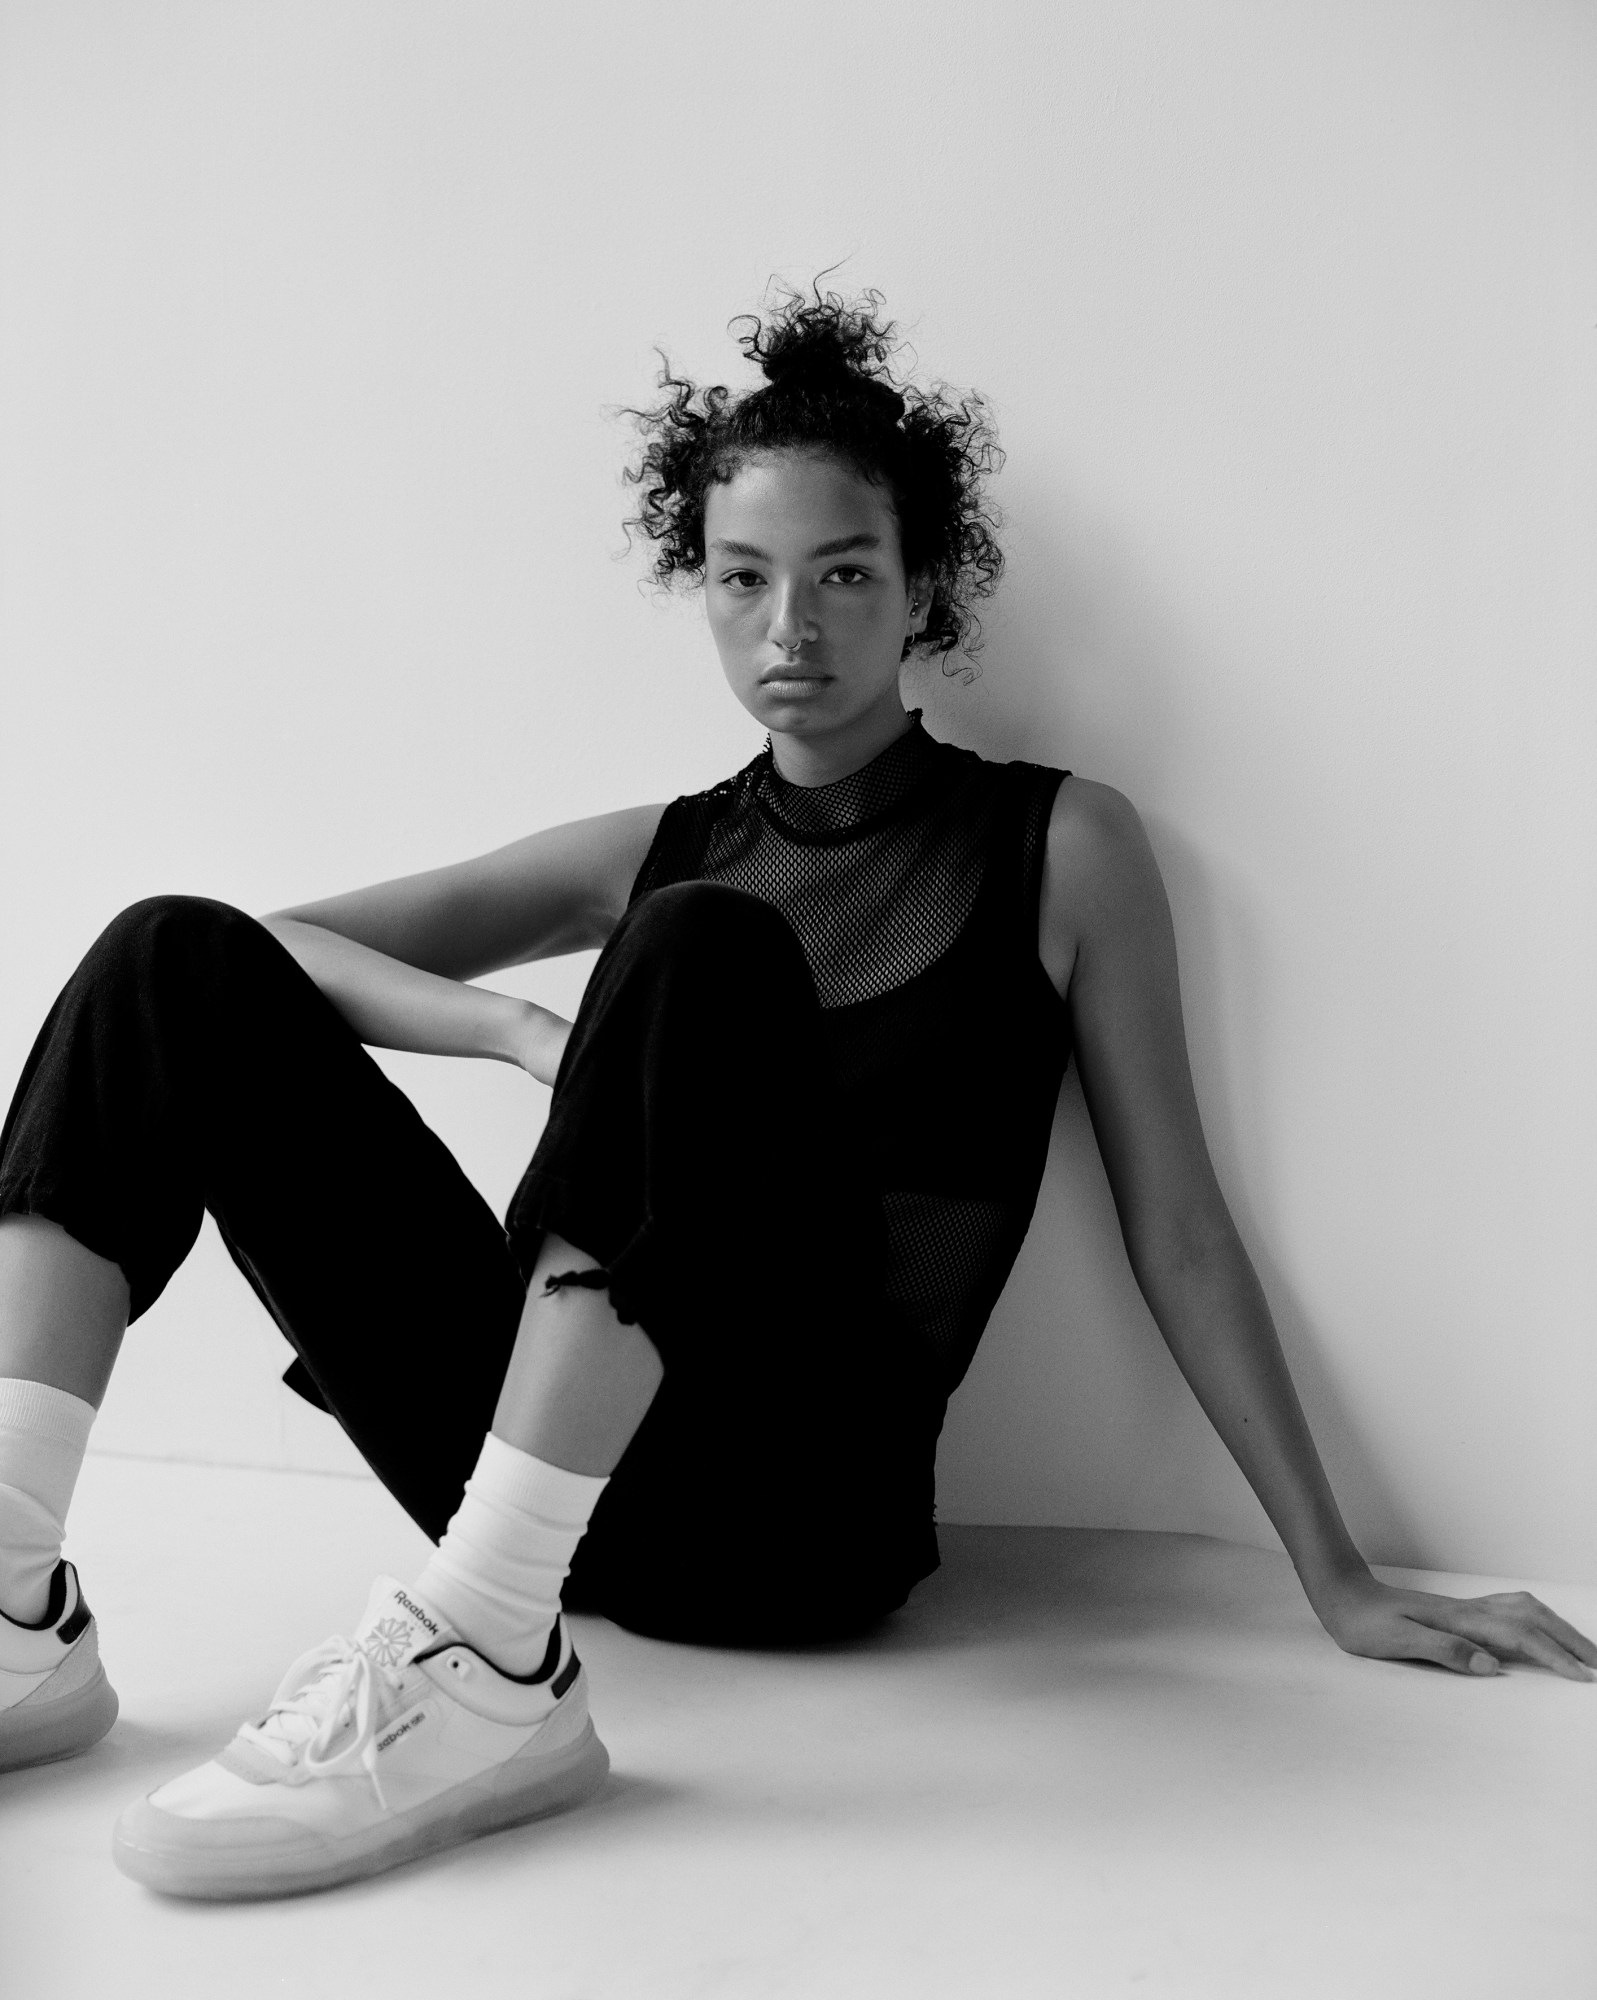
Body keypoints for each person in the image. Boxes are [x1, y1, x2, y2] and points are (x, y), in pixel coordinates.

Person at [0, 289, 1590, 1899]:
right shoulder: (659, 846)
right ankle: (12, 1610)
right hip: (540, 1469)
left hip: (792, 1521)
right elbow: (267, 952)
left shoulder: (1057, 848)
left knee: (700, 949)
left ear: (923, 599)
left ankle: (487, 1664)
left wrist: (1334, 1571)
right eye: (740, 580)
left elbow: (1175, 1226)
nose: (789, 633)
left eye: (842, 577)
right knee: (161, 957)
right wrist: (511, 1032)